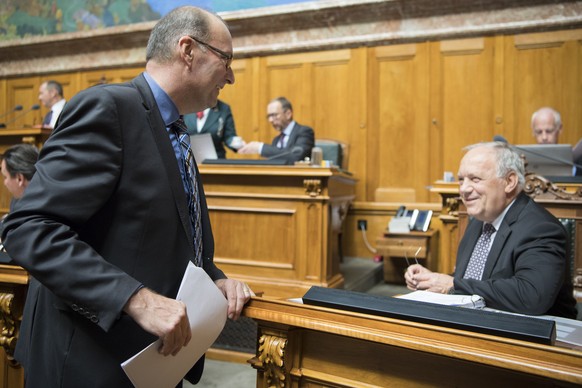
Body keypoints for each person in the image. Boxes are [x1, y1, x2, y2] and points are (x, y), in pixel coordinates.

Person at [1, 6, 254, 387]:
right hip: (88, 360)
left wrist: (215, 278)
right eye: (226, 60)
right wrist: (136, 299)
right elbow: (30, 228)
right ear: (187, 50)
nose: (231, 76)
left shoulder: (176, 131)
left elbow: (164, 233)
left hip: (150, 361)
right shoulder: (109, 108)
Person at [404, 141, 577, 319]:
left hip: (531, 336)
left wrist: (451, 285)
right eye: (461, 180)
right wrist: (434, 279)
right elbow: (477, 278)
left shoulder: (541, 229)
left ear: (509, 182)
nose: (463, 189)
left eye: (475, 179)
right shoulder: (479, 221)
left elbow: (531, 295)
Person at [238, 96, 314, 163]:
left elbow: (296, 157)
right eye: (269, 116)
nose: (270, 120)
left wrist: (260, 147)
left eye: (274, 115)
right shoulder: (276, 140)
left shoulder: (304, 132)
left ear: (288, 114)